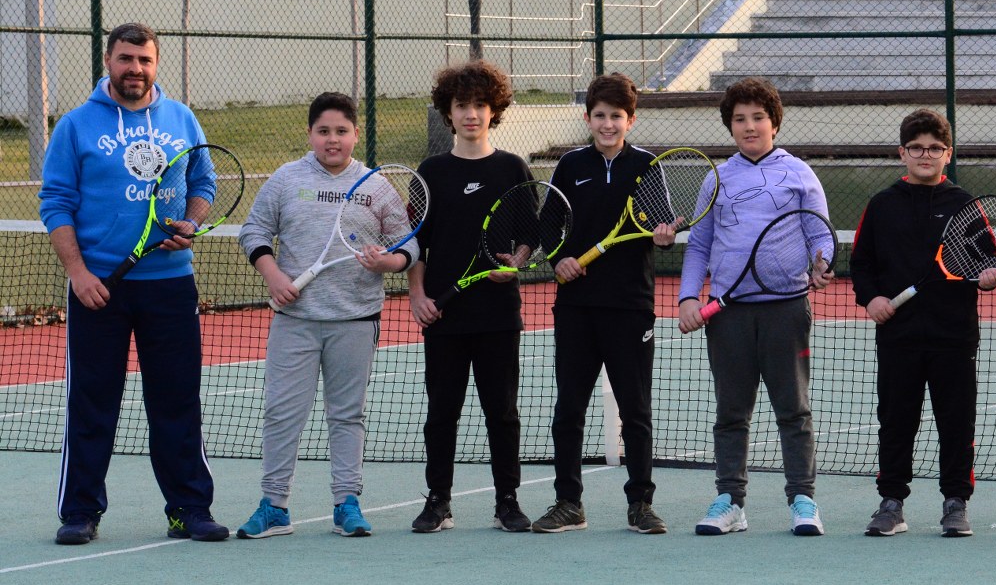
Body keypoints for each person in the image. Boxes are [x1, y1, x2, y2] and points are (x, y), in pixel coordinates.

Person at [37, 22, 229, 545]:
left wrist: (191, 221)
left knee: (177, 400)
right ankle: (81, 512)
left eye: (144, 60)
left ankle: (189, 509)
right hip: (99, 289)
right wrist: (79, 274)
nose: (135, 69)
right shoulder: (75, 126)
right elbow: (55, 203)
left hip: (170, 286)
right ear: (108, 61)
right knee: (92, 403)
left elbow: (203, 181)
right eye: (126, 59)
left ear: (155, 64)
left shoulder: (181, 118)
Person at [235, 93, 416, 539]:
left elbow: (408, 245)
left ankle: (346, 503)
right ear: (310, 134)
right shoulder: (286, 179)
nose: (332, 140)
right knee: (282, 413)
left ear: (355, 133)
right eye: (323, 131)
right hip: (295, 320)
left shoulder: (376, 187)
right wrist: (273, 275)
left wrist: (388, 262)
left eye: (341, 131)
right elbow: (254, 231)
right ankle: (274, 506)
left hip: (355, 320)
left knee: (347, 415)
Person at [677, 77, 832, 536]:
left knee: (793, 411)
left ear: (774, 123)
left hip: (787, 310)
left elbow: (819, 234)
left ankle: (803, 500)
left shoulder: (800, 174)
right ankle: (730, 502)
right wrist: (688, 296)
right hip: (728, 316)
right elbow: (699, 245)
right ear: (730, 126)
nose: (749, 126)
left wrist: (821, 263)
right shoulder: (716, 178)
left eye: (758, 118)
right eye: (740, 119)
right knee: (731, 413)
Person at [849, 109, 996, 537]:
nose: (925, 155)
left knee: (957, 423)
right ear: (902, 153)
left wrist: (989, 277)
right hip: (898, 337)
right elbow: (861, 264)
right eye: (916, 148)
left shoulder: (965, 205)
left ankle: (956, 503)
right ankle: (891, 504)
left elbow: (988, 261)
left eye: (935, 148)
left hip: (954, 337)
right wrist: (872, 298)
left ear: (947, 154)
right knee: (896, 421)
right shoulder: (881, 205)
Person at [538, 73, 677, 535]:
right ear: (588, 118)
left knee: (635, 411)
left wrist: (664, 236)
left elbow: (659, 226)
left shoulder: (647, 166)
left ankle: (641, 504)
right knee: (568, 409)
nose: (607, 124)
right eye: (599, 115)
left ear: (630, 120)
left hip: (630, 307)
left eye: (616, 116)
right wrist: (559, 259)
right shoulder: (570, 164)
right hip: (576, 307)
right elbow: (548, 225)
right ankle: (568, 503)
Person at [407, 60, 533, 533]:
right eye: (462, 105)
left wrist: (516, 262)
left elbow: (529, 236)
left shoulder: (512, 168)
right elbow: (415, 244)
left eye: (480, 105)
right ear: (449, 112)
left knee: (502, 413)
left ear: (493, 110)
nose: (471, 114)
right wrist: (417, 296)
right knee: (441, 413)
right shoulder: (430, 172)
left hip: (498, 314)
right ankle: (438, 501)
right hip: (444, 317)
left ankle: (507, 502)